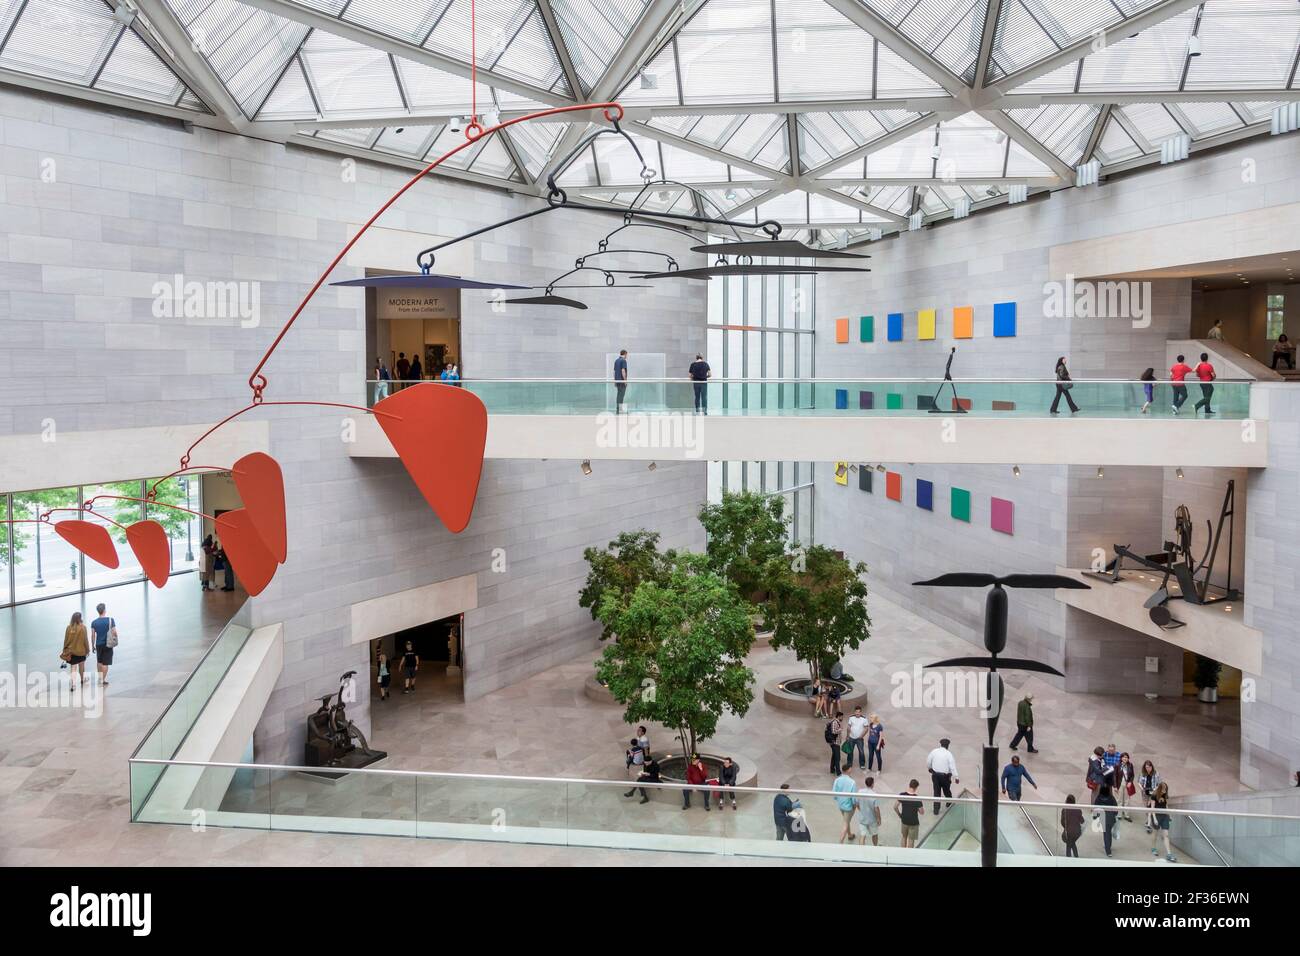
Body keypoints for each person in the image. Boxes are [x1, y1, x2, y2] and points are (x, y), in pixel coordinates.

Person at [926, 737, 959, 814]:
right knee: (946, 790)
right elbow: (952, 767)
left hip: (935, 775)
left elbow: (928, 761)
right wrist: (956, 777)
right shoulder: (949, 754)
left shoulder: (934, 751)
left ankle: (936, 810)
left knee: (936, 792)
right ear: (947, 746)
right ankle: (949, 802)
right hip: (945, 777)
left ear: (940, 744)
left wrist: (930, 768)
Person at [89, 603, 116, 686]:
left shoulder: (94, 622)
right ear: (104, 610)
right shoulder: (110, 620)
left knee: (99, 661)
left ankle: (100, 678)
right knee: (106, 663)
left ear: (98, 611)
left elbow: (93, 635)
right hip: (108, 644)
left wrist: (93, 645)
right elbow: (114, 632)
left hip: (98, 644)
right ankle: (102, 680)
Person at [61, 611, 89, 689]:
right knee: (81, 666)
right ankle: (82, 680)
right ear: (80, 619)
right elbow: (85, 640)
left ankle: (73, 685)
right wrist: (88, 650)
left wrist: (64, 650)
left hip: (71, 651)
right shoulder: (83, 627)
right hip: (81, 651)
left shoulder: (68, 627)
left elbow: (66, 640)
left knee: (73, 668)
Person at [1149, 781, 1176, 862]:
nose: (1164, 791)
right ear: (1160, 789)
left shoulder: (1165, 795)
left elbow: (1166, 805)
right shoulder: (1154, 795)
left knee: (1166, 835)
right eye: (1163, 789)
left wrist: (1169, 814)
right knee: (1155, 833)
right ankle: (1153, 848)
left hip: (1164, 816)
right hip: (1156, 816)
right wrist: (1154, 818)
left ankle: (1169, 854)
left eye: (1165, 789)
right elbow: (1152, 807)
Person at [895, 779, 925, 848]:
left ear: (909, 785)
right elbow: (922, 812)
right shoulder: (917, 798)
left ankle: (903, 852)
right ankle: (909, 854)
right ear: (916, 787)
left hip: (904, 820)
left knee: (904, 837)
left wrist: (900, 815)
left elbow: (895, 807)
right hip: (913, 822)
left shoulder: (902, 795)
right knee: (911, 839)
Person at [833, 766, 858, 843]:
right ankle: (840, 842)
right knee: (846, 823)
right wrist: (854, 806)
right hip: (848, 806)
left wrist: (839, 800)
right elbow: (854, 797)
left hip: (841, 805)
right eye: (850, 768)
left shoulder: (837, 780)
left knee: (846, 820)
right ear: (848, 770)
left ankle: (850, 835)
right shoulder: (852, 782)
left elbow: (834, 793)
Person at [856, 775, 882, 846]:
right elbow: (876, 809)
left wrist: (861, 810)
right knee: (875, 834)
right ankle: (875, 847)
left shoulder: (860, 792)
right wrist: (879, 818)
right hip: (872, 819)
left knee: (862, 835)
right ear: (872, 784)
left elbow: (857, 804)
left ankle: (861, 851)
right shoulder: (874, 795)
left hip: (862, 818)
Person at [1138, 760, 1161, 832]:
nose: (1148, 769)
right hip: (1145, 793)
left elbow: (1159, 784)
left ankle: (1150, 823)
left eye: (1149, 767)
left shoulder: (1156, 774)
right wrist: (1142, 789)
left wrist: (1155, 789)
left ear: (1152, 767)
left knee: (1151, 807)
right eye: (1146, 767)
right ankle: (1150, 820)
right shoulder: (1142, 773)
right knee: (1146, 808)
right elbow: (1139, 782)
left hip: (1153, 793)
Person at [1096, 783, 1119, 857]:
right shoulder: (1111, 797)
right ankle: (1108, 846)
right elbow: (1116, 807)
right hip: (1111, 817)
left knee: (1106, 833)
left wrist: (1096, 816)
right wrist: (1115, 814)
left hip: (1103, 817)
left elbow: (1095, 807)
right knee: (1108, 832)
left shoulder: (1099, 797)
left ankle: (1108, 850)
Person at [845, 705, 869, 770]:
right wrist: (847, 736)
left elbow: (866, 728)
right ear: (854, 712)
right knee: (850, 751)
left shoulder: (864, 719)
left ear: (861, 712)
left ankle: (862, 764)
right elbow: (848, 727)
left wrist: (861, 736)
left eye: (858, 712)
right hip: (851, 737)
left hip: (859, 739)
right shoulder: (851, 718)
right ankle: (849, 763)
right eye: (856, 712)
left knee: (861, 751)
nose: (857, 713)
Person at [1116, 752, 1136, 821]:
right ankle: (1119, 814)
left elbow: (1132, 775)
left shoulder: (1130, 765)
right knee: (1119, 800)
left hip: (1127, 783)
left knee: (1127, 800)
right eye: (1124, 757)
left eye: (1126, 757)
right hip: (1120, 784)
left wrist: (1130, 782)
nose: (1125, 758)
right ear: (1121, 758)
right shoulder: (1117, 765)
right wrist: (1115, 786)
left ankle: (1127, 815)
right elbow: (1114, 776)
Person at [825, 710, 844, 775]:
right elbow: (833, 731)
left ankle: (832, 769)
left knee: (834, 756)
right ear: (839, 716)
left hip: (835, 742)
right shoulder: (835, 722)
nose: (842, 718)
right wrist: (840, 729)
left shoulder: (835, 721)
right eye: (841, 717)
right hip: (835, 742)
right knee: (837, 757)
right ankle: (838, 772)